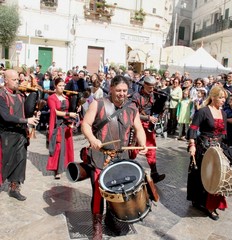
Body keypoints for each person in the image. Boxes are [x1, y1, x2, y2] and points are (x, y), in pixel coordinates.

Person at [81, 75, 147, 240]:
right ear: (111, 88)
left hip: (121, 157)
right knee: (98, 192)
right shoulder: (98, 103)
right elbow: (86, 125)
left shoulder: (132, 108)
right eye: (118, 90)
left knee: (118, 191)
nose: (122, 93)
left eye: (124, 90)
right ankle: (97, 226)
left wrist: (143, 143)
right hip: (100, 156)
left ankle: (112, 219)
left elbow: (139, 129)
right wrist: (93, 139)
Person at [187, 85, 230, 220]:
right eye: (221, 97)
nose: (223, 100)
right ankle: (199, 201)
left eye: (224, 98)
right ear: (213, 97)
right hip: (203, 148)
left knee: (216, 177)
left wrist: (224, 149)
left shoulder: (223, 113)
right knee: (201, 175)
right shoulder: (203, 111)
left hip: (218, 149)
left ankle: (211, 205)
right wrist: (192, 145)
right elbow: (193, 129)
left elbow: (224, 133)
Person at [0, 69, 40, 201]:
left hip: (21, 134)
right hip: (6, 134)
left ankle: (14, 188)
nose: (17, 82)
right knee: (4, 161)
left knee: (20, 160)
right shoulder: (1, 95)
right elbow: (6, 117)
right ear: (6, 80)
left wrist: (35, 110)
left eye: (18, 80)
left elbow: (26, 111)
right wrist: (25, 121)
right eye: (14, 80)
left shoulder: (20, 95)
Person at [132, 76, 166, 183]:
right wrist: (147, 118)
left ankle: (154, 173)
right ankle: (126, 170)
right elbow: (133, 113)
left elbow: (158, 109)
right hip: (137, 125)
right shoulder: (136, 96)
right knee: (133, 149)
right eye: (150, 87)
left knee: (151, 149)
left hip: (149, 126)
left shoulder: (155, 96)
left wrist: (160, 111)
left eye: (153, 87)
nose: (152, 89)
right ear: (144, 85)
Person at [46, 78, 78, 179]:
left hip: (66, 124)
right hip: (57, 125)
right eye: (60, 85)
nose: (62, 87)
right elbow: (55, 112)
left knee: (67, 147)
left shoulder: (66, 98)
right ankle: (57, 170)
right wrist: (69, 113)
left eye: (63, 85)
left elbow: (70, 108)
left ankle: (65, 167)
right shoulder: (51, 98)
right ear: (55, 86)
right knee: (58, 148)